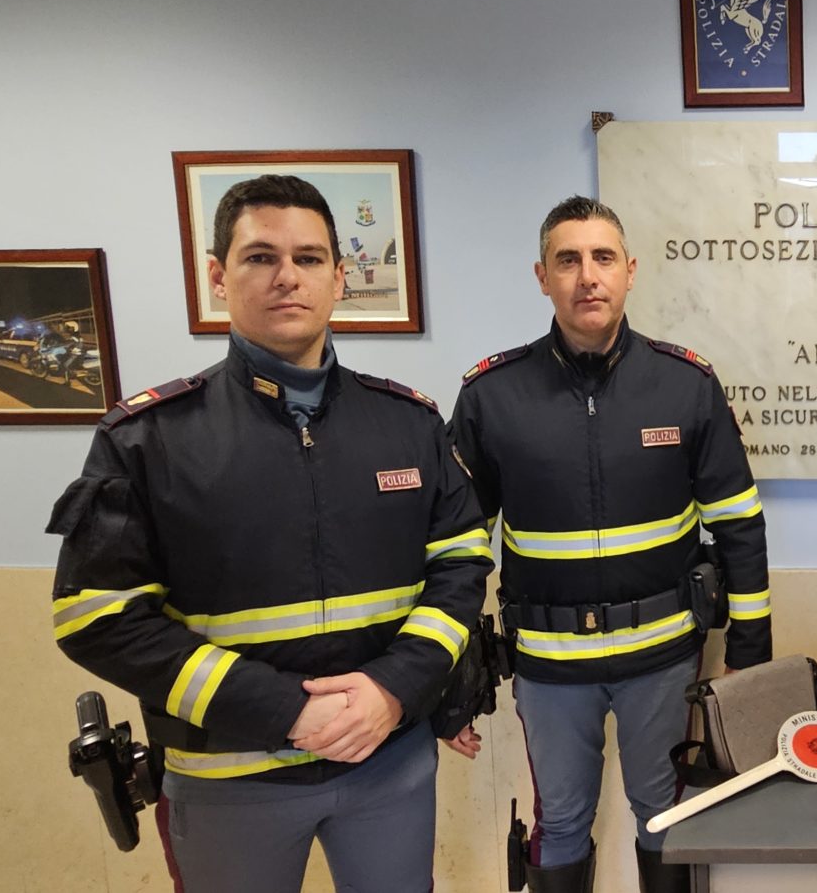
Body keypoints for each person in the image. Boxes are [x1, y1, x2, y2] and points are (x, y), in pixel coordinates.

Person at [48, 174, 493, 892]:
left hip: (387, 761)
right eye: (261, 257)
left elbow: (462, 563)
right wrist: (288, 712)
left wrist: (393, 688)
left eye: (309, 258)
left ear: (339, 278)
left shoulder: (407, 424)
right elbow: (96, 618)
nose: (288, 276)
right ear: (218, 277)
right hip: (228, 779)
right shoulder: (148, 440)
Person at [446, 195, 772, 893]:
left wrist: (750, 653)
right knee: (562, 820)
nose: (587, 276)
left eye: (602, 258)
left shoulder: (685, 385)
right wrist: (450, 674)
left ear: (630, 270)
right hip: (549, 665)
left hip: (663, 658)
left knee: (667, 815)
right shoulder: (492, 396)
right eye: (568, 260)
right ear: (542, 277)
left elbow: (740, 524)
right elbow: (457, 548)